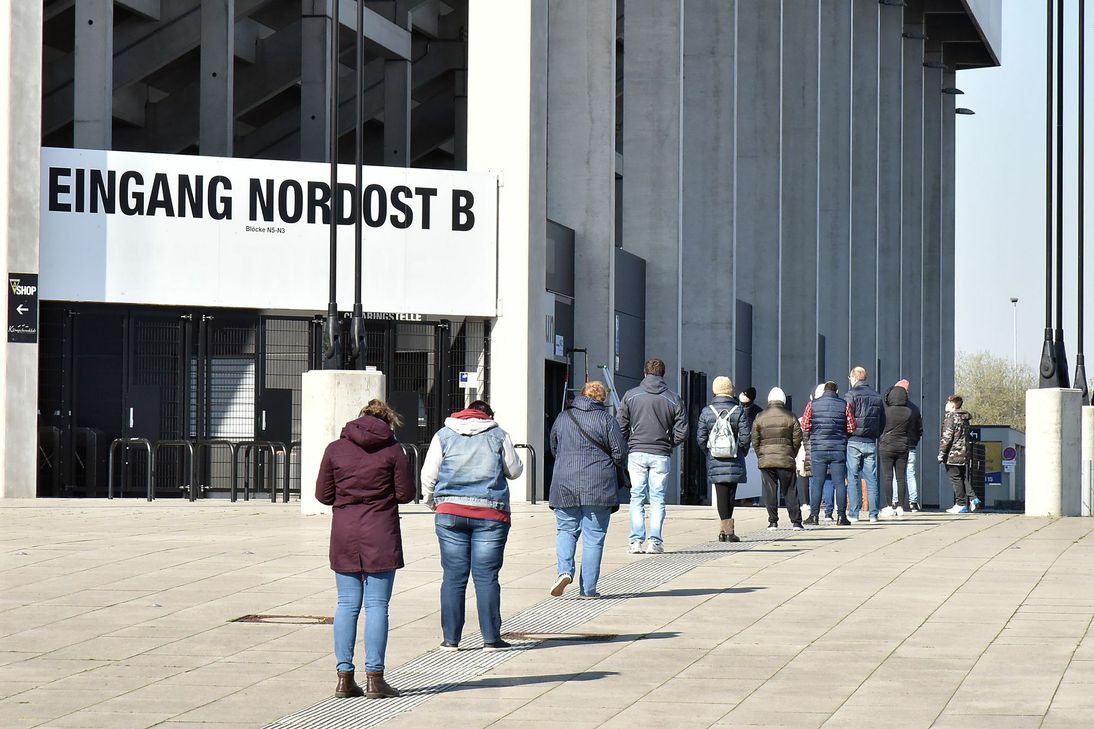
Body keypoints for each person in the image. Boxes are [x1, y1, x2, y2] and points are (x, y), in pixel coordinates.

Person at [316, 400, 416, 700]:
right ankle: (375, 679)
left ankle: (344, 679)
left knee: (346, 604)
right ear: (388, 421)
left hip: (345, 532)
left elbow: (322, 494)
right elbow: (405, 494)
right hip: (380, 531)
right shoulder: (393, 450)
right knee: (377, 607)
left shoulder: (335, 448)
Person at [421, 400, 523, 652]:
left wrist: (431, 501)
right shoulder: (499, 435)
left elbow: (429, 474)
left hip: (450, 513)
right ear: (488, 416)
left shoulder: (443, 434)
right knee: (486, 577)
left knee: (453, 577)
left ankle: (451, 640)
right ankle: (491, 638)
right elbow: (515, 470)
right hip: (490, 514)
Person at [548, 381, 627, 598]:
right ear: (602, 399)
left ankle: (564, 571)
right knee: (594, 538)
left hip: (564, 482)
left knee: (566, 530)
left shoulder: (563, 417)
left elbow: (553, 446)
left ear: (581, 395)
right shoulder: (607, 420)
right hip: (598, 485)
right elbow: (619, 453)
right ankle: (588, 589)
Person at [618, 358, 688, 554]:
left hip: (637, 451)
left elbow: (620, 426)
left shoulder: (631, 396)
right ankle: (655, 542)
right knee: (657, 499)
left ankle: (635, 541)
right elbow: (682, 431)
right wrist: (668, 442)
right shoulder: (673, 398)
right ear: (663, 374)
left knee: (636, 497)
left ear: (644, 372)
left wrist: (629, 443)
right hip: (660, 454)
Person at [696, 376, 751, 542]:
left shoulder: (706, 411)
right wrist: (740, 451)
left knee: (721, 494)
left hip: (716, 458)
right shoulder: (738, 410)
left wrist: (710, 452)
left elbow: (700, 438)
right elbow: (746, 437)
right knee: (730, 495)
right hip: (734, 458)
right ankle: (728, 532)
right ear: (730, 390)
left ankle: (724, 531)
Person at [801, 381, 855, 526]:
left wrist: (816, 435)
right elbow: (851, 427)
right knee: (839, 483)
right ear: (836, 390)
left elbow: (805, 425)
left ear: (824, 390)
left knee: (817, 482)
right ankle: (842, 517)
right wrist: (842, 438)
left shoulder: (812, 404)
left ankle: (814, 516)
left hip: (819, 449)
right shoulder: (844, 405)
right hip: (838, 449)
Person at [751, 387, 804, 530]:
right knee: (790, 490)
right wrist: (792, 452)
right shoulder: (790, 416)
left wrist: (761, 454)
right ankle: (796, 522)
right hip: (786, 458)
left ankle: (772, 521)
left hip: (766, 460)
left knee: (770, 491)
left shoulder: (760, 416)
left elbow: (755, 440)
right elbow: (798, 438)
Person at [845, 366, 885, 523]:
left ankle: (854, 513)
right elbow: (883, 421)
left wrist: (847, 434)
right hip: (870, 441)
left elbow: (847, 417)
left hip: (854, 440)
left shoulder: (851, 395)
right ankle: (873, 514)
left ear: (854, 377)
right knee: (871, 478)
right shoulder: (877, 396)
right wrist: (876, 434)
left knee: (853, 477)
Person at [879, 384, 922, 517]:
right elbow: (916, 430)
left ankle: (889, 505)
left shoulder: (885, 411)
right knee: (901, 477)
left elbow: (880, 427)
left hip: (886, 446)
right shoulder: (909, 411)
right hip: (903, 446)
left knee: (888, 477)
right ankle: (901, 507)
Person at [939, 394, 980, 513]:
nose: (946, 404)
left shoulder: (951, 417)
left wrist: (941, 453)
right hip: (963, 453)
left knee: (955, 478)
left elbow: (947, 438)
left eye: (948, 402)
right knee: (961, 477)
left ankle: (960, 503)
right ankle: (973, 498)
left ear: (952, 404)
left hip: (953, 453)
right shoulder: (964, 418)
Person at [891, 379, 923, 511]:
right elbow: (920, 429)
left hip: (897, 444)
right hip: (911, 446)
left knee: (896, 475)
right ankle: (913, 502)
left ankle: (895, 501)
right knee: (910, 473)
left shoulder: (893, 409)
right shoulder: (915, 409)